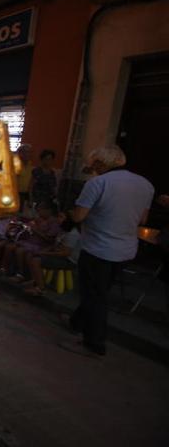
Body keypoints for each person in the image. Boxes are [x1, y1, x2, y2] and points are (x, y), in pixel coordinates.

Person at [64, 145, 153, 357]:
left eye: (93, 164)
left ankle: (94, 344)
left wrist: (70, 212)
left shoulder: (98, 183)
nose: (91, 168)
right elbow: (143, 220)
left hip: (98, 249)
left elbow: (78, 217)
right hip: (125, 250)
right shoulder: (145, 184)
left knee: (95, 296)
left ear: (100, 164)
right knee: (99, 291)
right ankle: (76, 322)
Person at [16, 144, 34, 209]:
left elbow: (31, 183)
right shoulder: (14, 165)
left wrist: (30, 197)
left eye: (29, 152)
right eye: (25, 152)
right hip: (15, 194)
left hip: (26, 195)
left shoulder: (31, 167)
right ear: (19, 153)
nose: (28, 154)